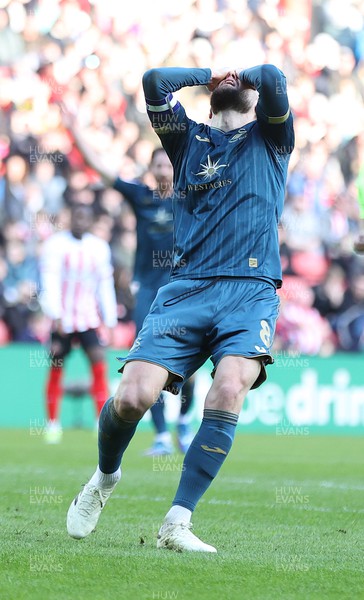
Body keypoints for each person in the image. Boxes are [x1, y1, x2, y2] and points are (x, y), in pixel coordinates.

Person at [67, 63, 294, 552]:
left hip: (249, 289)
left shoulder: (273, 138)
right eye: (227, 84)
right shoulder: (185, 140)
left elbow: (275, 78)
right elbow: (153, 81)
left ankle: (177, 519)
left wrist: (245, 77)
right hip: (185, 288)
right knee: (132, 399)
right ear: (211, 97)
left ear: (253, 99)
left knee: (230, 386)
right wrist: (212, 73)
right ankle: (104, 479)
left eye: (244, 85)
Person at [63, 111, 196, 455]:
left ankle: (183, 422)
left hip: (183, 290)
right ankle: (162, 434)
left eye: (169, 165)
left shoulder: (190, 198)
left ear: (176, 167)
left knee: (190, 370)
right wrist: (76, 131)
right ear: (152, 170)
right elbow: (102, 170)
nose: (164, 170)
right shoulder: (142, 197)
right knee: (146, 361)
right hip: (149, 290)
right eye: (159, 166)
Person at [40, 203, 118, 443]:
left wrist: (110, 318)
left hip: (88, 318)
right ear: (70, 218)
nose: (80, 221)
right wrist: (55, 314)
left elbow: (105, 285)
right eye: (77, 216)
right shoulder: (55, 245)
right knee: (56, 367)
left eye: (85, 217)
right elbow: (49, 280)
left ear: (91, 221)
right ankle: (52, 424)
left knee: (99, 364)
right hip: (63, 319)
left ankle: (100, 422)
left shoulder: (99, 247)